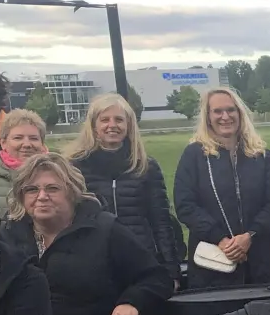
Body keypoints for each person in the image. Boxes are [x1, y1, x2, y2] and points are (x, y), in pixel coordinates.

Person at [2, 153, 172, 315]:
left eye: (52, 188)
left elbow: (156, 277)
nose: (41, 196)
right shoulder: (7, 239)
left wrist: (131, 302)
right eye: (31, 189)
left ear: (71, 192)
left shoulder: (105, 230)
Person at [67, 93, 185, 287]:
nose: (112, 125)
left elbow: (161, 222)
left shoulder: (146, 166)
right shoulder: (75, 166)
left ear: (129, 125)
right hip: (94, 261)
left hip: (141, 257)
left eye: (119, 120)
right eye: (104, 120)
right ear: (93, 125)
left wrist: (171, 270)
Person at [172, 87, 270, 287]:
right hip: (212, 266)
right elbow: (186, 206)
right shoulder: (194, 156)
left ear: (240, 113)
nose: (225, 116)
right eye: (217, 111)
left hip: (260, 265)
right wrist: (221, 240)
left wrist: (249, 236)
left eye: (231, 110)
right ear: (208, 117)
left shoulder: (261, 156)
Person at [0, 108, 48, 228]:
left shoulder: (62, 177)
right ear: (3, 143)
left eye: (34, 138)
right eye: (18, 138)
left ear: (42, 144)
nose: (27, 144)